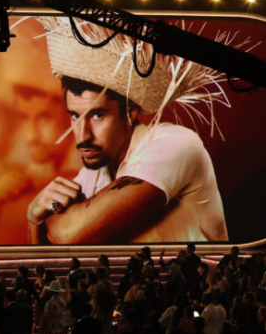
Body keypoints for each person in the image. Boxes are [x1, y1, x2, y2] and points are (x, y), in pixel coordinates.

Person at [26, 17, 228, 244]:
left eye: (97, 115)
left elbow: (67, 233)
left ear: (129, 114)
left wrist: (47, 212)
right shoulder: (95, 171)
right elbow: (51, 256)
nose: (83, 136)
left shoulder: (174, 143)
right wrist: (35, 214)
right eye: (75, 116)